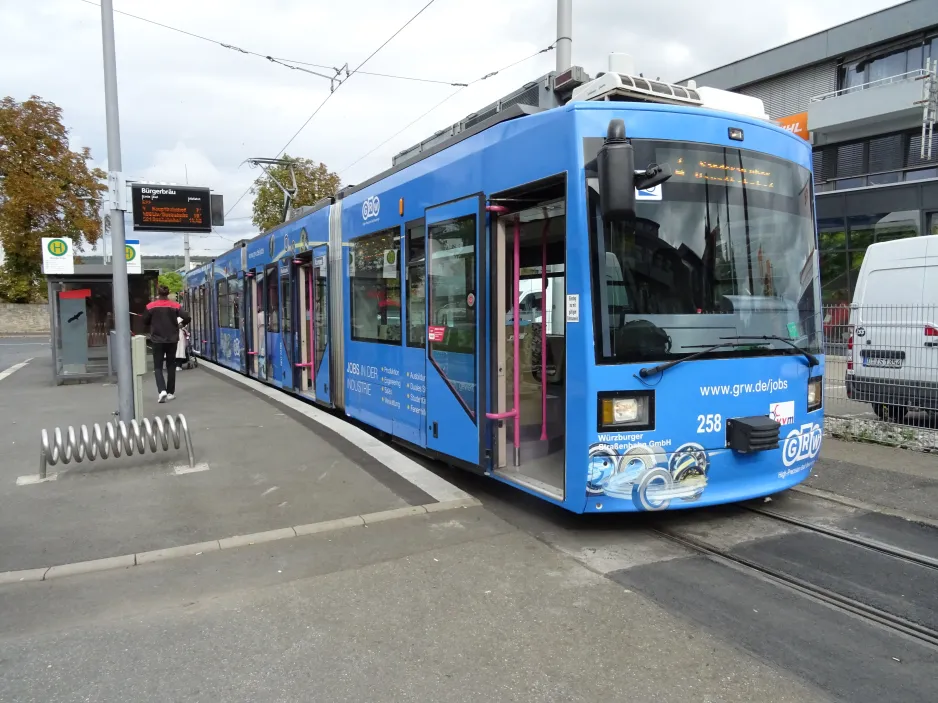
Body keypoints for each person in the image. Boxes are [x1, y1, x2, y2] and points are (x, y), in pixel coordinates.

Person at [142, 286, 190, 403]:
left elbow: (145, 321)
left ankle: (161, 390)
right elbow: (187, 317)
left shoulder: (151, 306)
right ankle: (170, 393)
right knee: (171, 365)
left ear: (158, 293)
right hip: (172, 339)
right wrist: (181, 325)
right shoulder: (175, 305)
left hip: (157, 340)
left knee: (158, 367)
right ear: (168, 294)